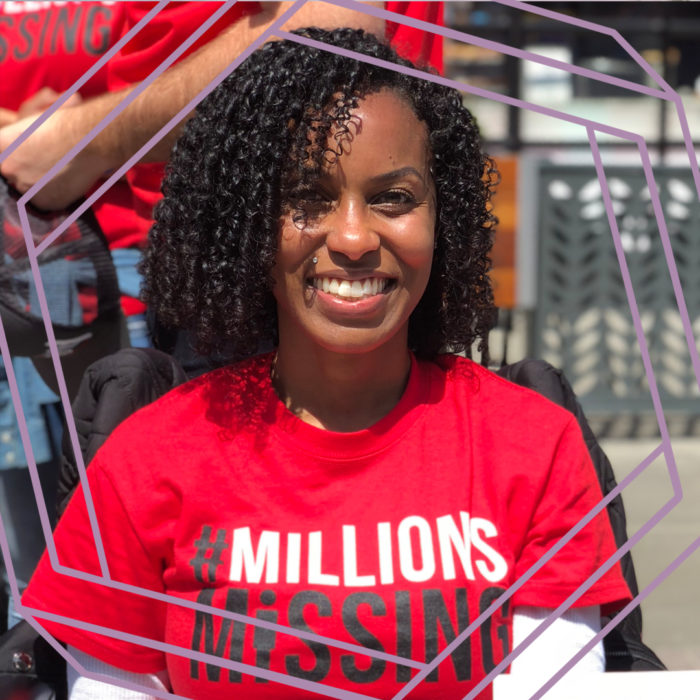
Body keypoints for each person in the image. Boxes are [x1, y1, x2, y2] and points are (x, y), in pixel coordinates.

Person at [22, 28, 631, 699]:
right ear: (248, 223)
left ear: (443, 218)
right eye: (306, 197)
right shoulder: (145, 458)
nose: (352, 238)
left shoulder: (534, 447)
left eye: (393, 198)